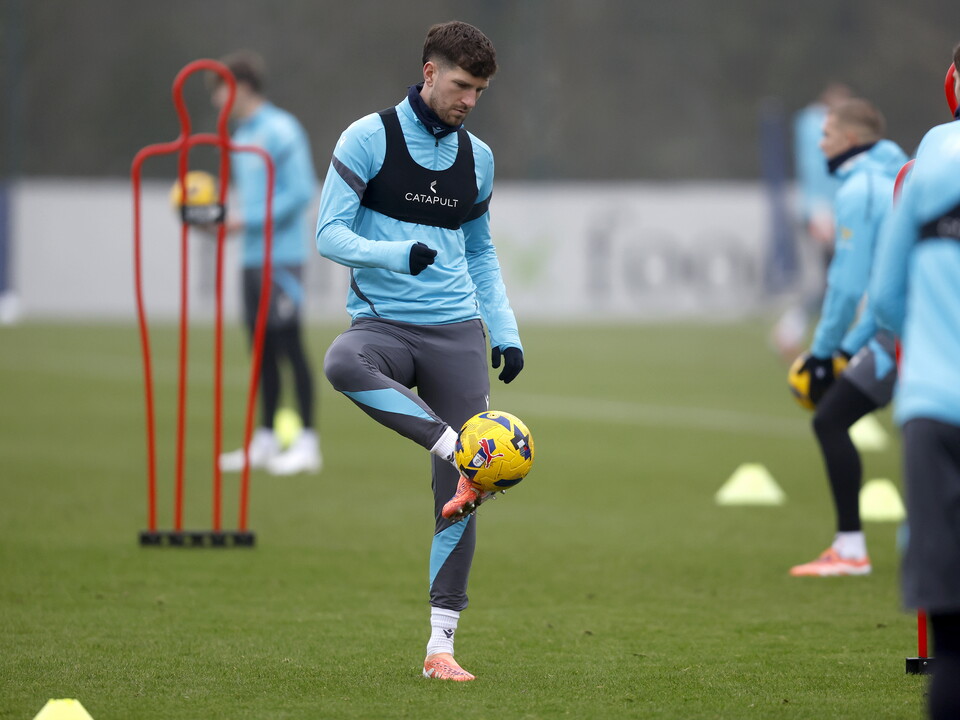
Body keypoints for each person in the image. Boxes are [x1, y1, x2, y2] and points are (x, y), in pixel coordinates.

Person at [315, 21, 523, 682]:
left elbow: (483, 253)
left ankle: (441, 648)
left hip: (458, 329)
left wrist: (506, 329)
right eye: (461, 85)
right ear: (429, 73)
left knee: (460, 493)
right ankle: (456, 448)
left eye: (480, 92)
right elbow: (329, 234)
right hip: (383, 324)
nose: (469, 100)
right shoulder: (368, 138)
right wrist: (394, 254)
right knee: (342, 362)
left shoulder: (478, 157)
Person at [870, 47, 960, 720]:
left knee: (950, 640)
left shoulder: (933, 159)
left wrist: (928, 349)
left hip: (935, 402)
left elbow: (886, 299)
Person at [788, 98, 907, 577]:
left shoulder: (859, 190)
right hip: (921, 327)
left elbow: (851, 283)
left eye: (828, 135)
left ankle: (851, 548)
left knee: (831, 419)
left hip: (898, 334)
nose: (820, 143)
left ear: (851, 140)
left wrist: (825, 353)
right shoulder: (907, 172)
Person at [208, 51, 321, 476]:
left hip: (283, 258)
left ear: (240, 87)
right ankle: (267, 438)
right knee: (260, 351)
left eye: (220, 90)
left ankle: (308, 443)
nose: (217, 101)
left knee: (290, 345)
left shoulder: (281, 129)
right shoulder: (238, 136)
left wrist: (245, 221)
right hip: (251, 257)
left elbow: (299, 192)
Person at [772, 83, 852, 361]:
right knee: (834, 281)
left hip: (826, 211)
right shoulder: (814, 124)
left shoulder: (812, 125)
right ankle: (793, 330)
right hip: (821, 213)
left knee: (833, 281)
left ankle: (795, 331)